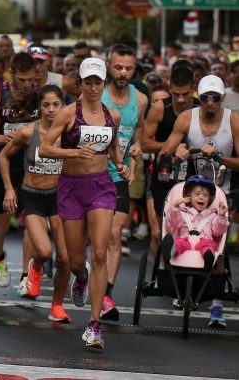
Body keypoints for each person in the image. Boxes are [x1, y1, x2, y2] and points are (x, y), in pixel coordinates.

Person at [39, 57, 129, 350]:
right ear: (80, 83)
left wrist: (121, 163)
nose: (92, 87)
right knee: (77, 259)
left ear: (104, 84)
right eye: (87, 82)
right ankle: (81, 276)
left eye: (97, 82)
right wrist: (74, 154)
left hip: (102, 186)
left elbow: (114, 146)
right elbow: (45, 147)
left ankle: (94, 325)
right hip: (71, 188)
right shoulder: (67, 114)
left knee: (101, 252)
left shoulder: (112, 115)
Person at [158, 74, 239, 328]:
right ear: (199, 97)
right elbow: (165, 154)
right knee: (186, 232)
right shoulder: (186, 118)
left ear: (222, 98)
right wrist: (177, 152)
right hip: (193, 190)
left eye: (216, 97)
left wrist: (220, 158)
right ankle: (180, 282)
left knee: (219, 246)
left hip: (223, 190)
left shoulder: (233, 119)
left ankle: (216, 305)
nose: (211, 102)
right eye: (206, 98)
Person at [0, 85, 72, 323]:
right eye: (46, 105)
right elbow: (3, 156)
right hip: (32, 196)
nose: (51, 110)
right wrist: (10, 188)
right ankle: (36, 267)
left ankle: (57, 306)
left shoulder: (70, 133)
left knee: (65, 257)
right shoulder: (29, 132)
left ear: (63, 105)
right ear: (39, 107)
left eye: (56, 105)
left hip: (59, 197)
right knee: (43, 251)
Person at [100, 44, 147, 321]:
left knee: (115, 235)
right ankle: (83, 277)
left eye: (128, 68)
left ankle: (106, 293)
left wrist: (137, 148)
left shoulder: (139, 99)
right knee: (90, 239)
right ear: (109, 65)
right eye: (118, 67)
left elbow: (139, 128)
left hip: (119, 175)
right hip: (92, 173)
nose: (123, 73)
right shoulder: (98, 96)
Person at [0, 52, 39, 291]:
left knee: (33, 219)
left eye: (31, 80)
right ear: (12, 74)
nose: (27, 85)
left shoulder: (39, 95)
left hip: (30, 162)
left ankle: (27, 275)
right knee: (1, 221)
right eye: (22, 80)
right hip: (1, 161)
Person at [143, 63, 198, 257]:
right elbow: (144, 143)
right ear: (169, 89)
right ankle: (158, 276)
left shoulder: (201, 109)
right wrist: (171, 147)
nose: (181, 99)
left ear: (194, 88)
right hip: (163, 175)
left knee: (189, 232)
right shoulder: (160, 108)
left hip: (193, 177)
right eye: (176, 94)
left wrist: (190, 149)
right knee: (159, 232)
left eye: (185, 94)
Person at [161, 175, 228, 269]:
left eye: (205, 195)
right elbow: (174, 222)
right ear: (189, 197)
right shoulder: (183, 212)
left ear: (209, 199)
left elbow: (218, 232)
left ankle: (209, 256)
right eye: (197, 194)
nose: (201, 198)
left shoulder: (212, 215)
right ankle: (171, 250)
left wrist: (221, 216)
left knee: (208, 245)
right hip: (185, 239)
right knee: (178, 243)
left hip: (204, 241)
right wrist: (175, 206)